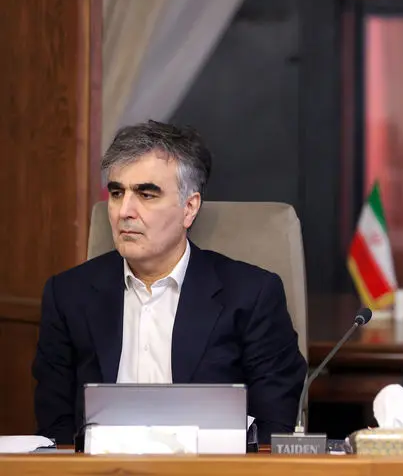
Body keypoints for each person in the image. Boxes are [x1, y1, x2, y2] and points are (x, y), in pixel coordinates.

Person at [33, 120, 307, 445]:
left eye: (146, 194)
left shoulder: (251, 296)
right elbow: (56, 430)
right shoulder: (68, 295)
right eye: (117, 193)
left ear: (189, 208)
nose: (124, 211)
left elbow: (273, 430)